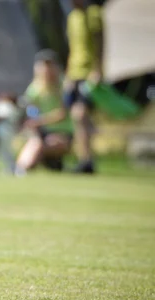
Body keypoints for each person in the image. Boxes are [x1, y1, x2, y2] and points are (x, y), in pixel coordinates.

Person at [16, 50, 75, 175]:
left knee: (41, 145)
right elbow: (30, 108)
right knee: (36, 143)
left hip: (62, 134)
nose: (46, 70)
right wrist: (32, 122)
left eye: (49, 65)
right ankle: (20, 169)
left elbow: (62, 114)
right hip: (43, 133)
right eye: (43, 66)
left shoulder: (65, 86)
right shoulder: (35, 88)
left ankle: (23, 168)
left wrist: (38, 121)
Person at [64, 0, 105, 174]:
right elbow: (72, 48)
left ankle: (87, 159)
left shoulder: (94, 13)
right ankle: (85, 159)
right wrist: (67, 74)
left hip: (88, 73)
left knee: (80, 115)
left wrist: (98, 69)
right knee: (77, 118)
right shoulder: (72, 17)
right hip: (74, 74)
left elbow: (100, 43)